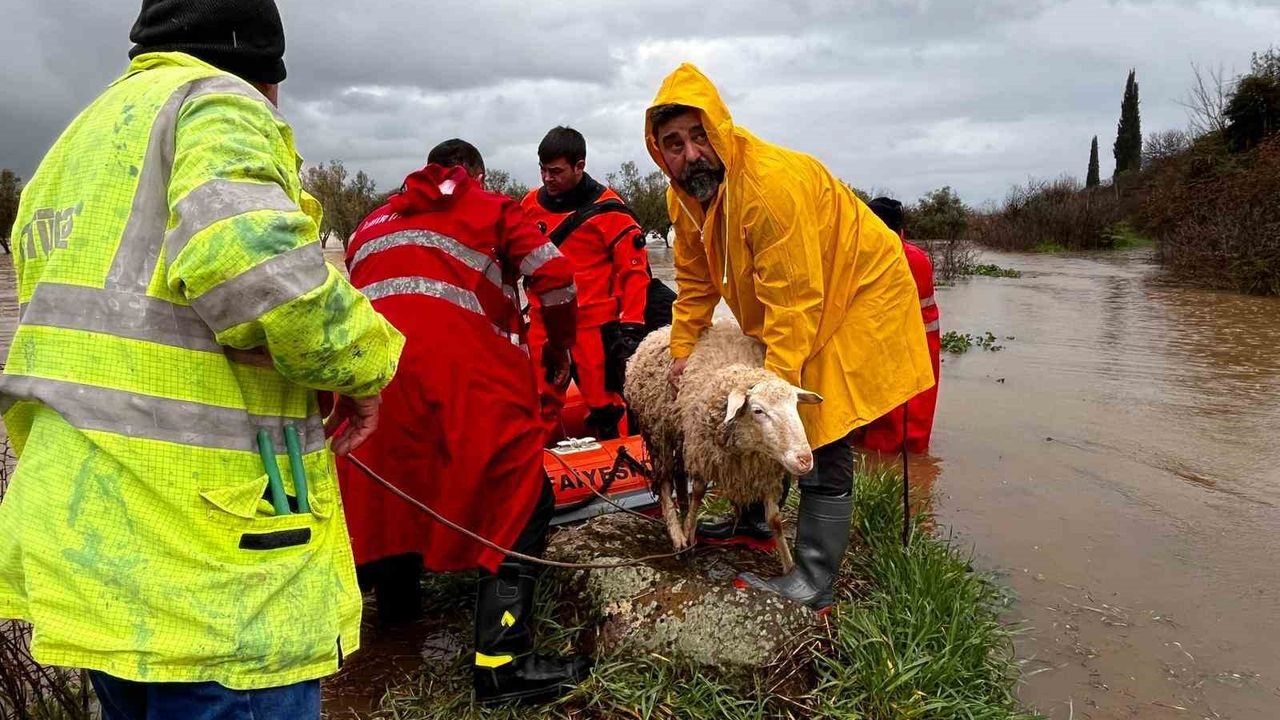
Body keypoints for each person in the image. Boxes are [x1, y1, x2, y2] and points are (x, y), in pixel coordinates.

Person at [0, 1, 405, 718]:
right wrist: (364, 365)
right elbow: (256, 271)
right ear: (264, 70)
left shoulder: (76, 144)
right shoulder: (216, 100)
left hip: (93, 557)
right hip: (213, 578)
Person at [646, 64, 934, 612]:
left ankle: (814, 579)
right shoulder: (682, 199)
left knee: (816, 424)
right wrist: (681, 352)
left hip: (855, 295)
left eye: (700, 136)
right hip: (802, 301)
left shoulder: (769, 187)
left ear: (720, 130)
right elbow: (695, 281)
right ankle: (754, 522)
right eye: (674, 144)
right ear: (659, 151)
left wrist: (775, 389)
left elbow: (795, 303)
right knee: (760, 413)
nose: (691, 154)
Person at [336, 139, 591, 705]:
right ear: (474, 175)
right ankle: (502, 663)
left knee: (396, 485)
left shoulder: (370, 225)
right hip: (462, 378)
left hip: (373, 381)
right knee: (522, 499)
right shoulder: (493, 209)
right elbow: (555, 276)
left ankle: (398, 611)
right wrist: (559, 347)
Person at [521, 127, 652, 440]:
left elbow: (634, 273)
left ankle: (621, 454)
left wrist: (632, 329)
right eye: (542, 170)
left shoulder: (610, 211)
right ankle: (537, 460)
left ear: (579, 166)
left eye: (556, 171)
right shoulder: (529, 206)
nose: (547, 178)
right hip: (542, 323)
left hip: (594, 326)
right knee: (539, 402)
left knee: (605, 406)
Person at [859, 197, 941, 454]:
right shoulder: (916, 256)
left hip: (901, 345)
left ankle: (883, 464)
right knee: (911, 418)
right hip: (922, 346)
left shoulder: (882, 257)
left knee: (892, 419)